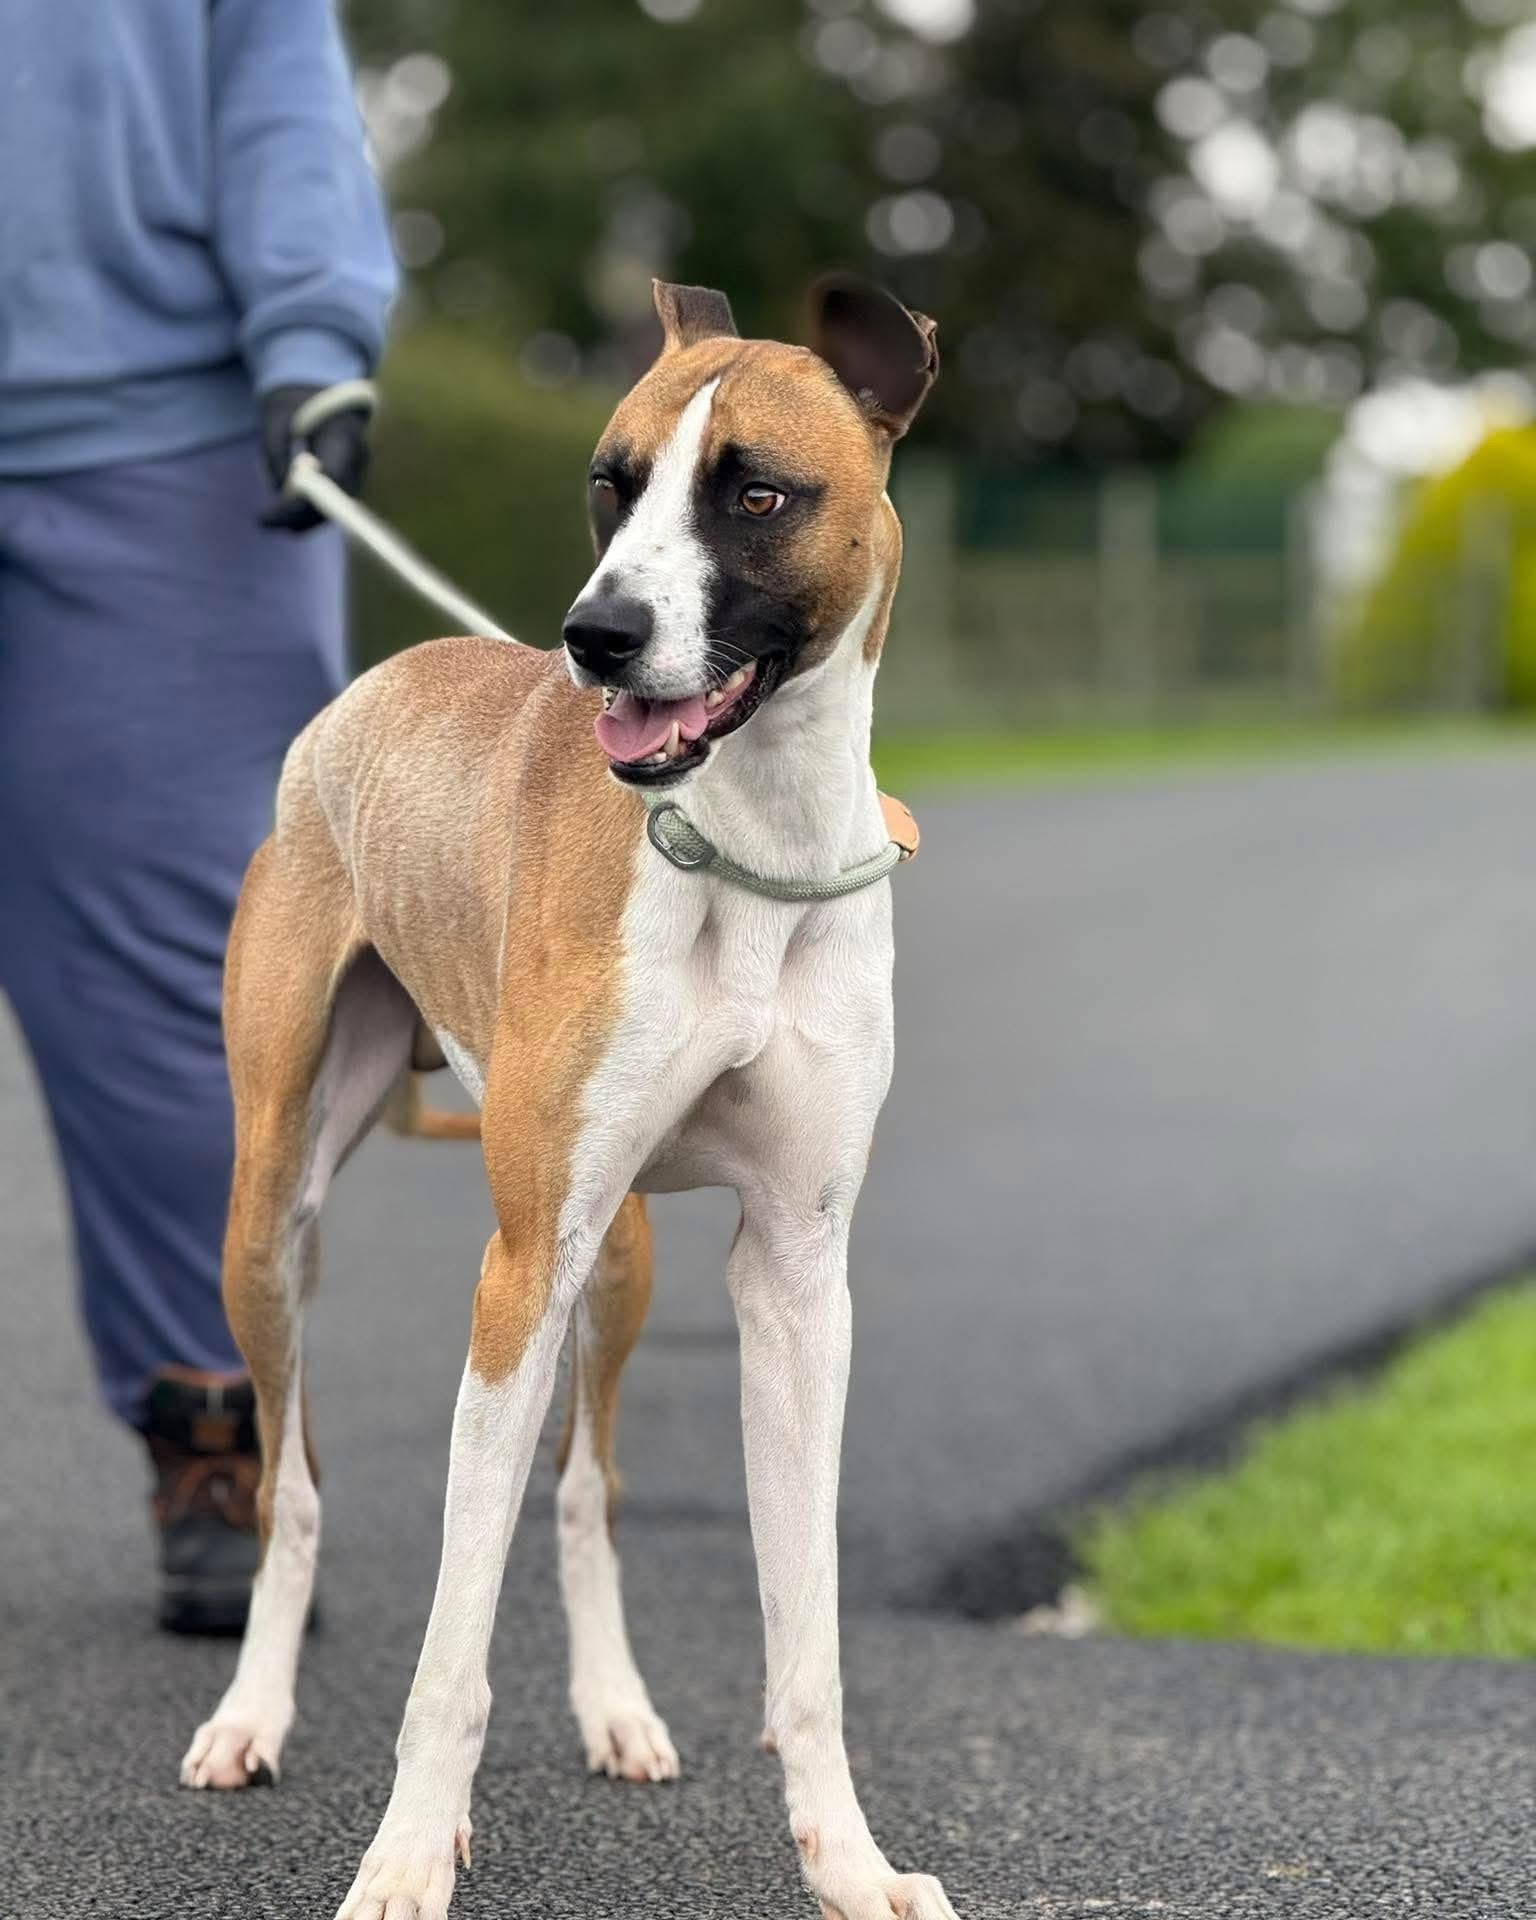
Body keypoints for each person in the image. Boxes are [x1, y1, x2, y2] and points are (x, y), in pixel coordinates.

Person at [0, 2, 398, 1632]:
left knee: (190, 982)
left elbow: (280, 99)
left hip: (161, 441)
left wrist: (313, 338)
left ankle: (211, 1427)